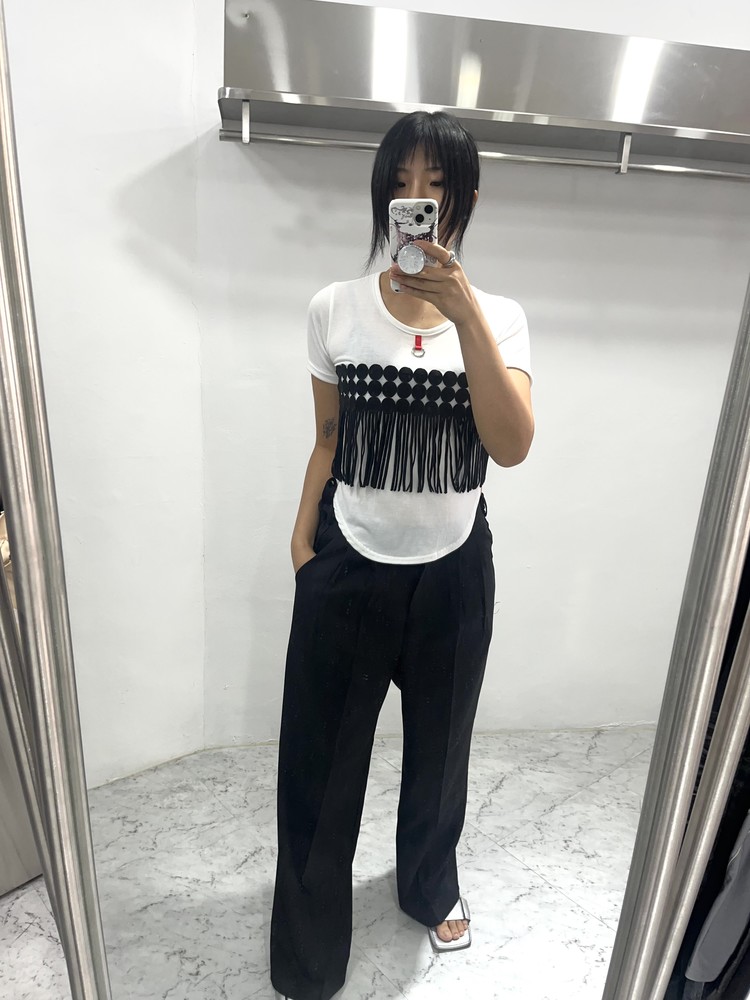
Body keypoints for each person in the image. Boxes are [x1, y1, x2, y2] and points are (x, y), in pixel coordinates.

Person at [270, 110, 535, 1000]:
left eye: (437, 185)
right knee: (319, 762)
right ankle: (309, 951)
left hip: (454, 569)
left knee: (441, 752)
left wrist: (465, 316)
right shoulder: (334, 307)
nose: (415, 200)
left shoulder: (501, 319)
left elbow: (511, 446)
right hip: (347, 560)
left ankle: (429, 885)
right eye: (400, 183)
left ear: (465, 202)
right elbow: (328, 437)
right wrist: (302, 541)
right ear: (382, 195)